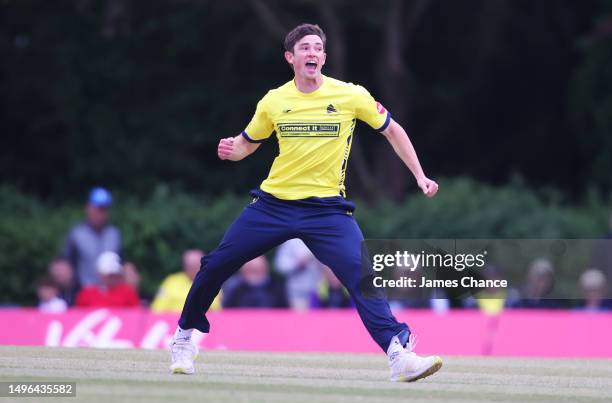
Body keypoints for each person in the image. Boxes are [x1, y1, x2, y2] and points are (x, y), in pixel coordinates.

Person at [170, 23, 442, 382]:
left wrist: (419, 175)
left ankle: (398, 354)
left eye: (317, 48)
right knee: (217, 263)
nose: (312, 53)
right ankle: (185, 337)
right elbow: (247, 143)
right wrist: (231, 150)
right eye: (304, 48)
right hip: (274, 205)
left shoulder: (351, 95)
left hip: (328, 211)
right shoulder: (274, 100)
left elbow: (392, 129)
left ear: (324, 57)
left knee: (362, 275)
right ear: (290, 58)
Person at [63, 187, 122, 287]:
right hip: (85, 292)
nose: (100, 213)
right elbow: (66, 263)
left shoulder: (114, 234)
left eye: (103, 209)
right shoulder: (77, 234)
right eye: (97, 209)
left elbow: (122, 262)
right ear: (88, 208)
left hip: (111, 292)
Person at [151, 250, 222, 312]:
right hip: (173, 324)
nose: (193, 269)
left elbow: (217, 311)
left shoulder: (212, 283)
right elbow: (157, 309)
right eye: (189, 265)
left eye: (196, 265)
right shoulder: (170, 282)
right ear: (184, 266)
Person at [75, 251, 140, 307]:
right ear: (99, 273)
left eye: (114, 274)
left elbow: (135, 315)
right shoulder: (86, 294)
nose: (112, 278)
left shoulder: (128, 293)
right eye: (109, 275)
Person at [274, 238, 324, 309]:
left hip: (319, 293)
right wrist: (297, 264)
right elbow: (280, 266)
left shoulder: (318, 238)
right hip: (297, 294)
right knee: (301, 319)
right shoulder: (290, 242)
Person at [223, 256, 288, 308]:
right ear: (242, 271)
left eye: (257, 271)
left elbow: (285, 313)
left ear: (265, 270)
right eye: (250, 270)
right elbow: (227, 312)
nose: (254, 277)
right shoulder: (235, 291)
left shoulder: (277, 291)